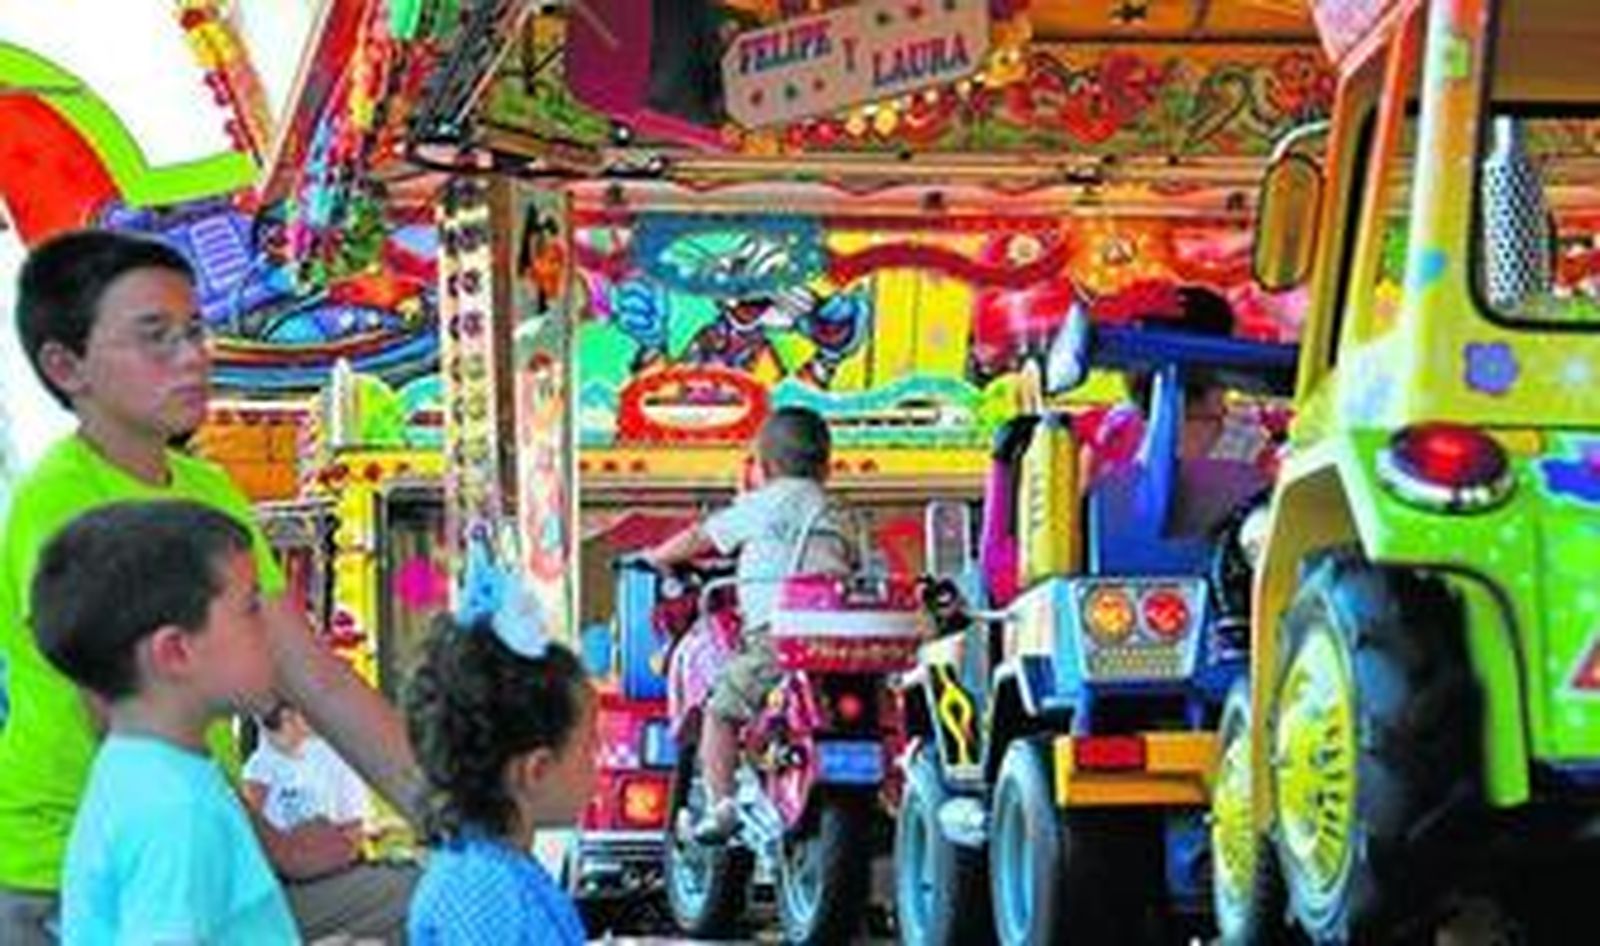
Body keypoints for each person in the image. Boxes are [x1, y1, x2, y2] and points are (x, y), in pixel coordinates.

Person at [0, 228, 419, 943]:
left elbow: (316, 676)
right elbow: (123, 721)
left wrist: (458, 819)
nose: (193, 356)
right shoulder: (62, 501)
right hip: (73, 866)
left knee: (436, 898)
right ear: (67, 366)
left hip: (215, 841)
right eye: (155, 337)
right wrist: (277, 846)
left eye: (195, 331)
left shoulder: (209, 489)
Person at [32, 500, 297, 943]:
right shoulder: (174, 810)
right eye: (251, 609)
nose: (271, 629)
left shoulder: (143, 772)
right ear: (175, 651)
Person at [642, 406, 853, 841]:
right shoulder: (841, 512)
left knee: (721, 711)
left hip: (779, 638)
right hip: (844, 642)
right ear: (828, 466)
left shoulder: (762, 505)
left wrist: (655, 558)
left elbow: (702, 538)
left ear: (764, 466)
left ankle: (721, 806)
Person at [404, 547, 597, 946]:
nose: (597, 764)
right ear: (536, 770)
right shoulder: (484, 889)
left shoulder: (493, 870)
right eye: (588, 748)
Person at [243, 703, 414, 941]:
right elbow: (254, 846)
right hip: (291, 887)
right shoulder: (259, 766)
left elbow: (353, 835)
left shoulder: (333, 755)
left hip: (331, 874)